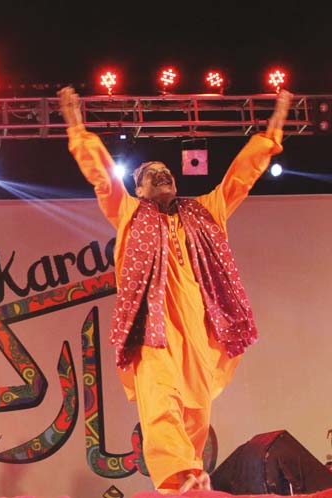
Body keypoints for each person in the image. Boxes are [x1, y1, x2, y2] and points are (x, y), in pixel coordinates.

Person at [59, 85, 291, 493]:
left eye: (166, 171)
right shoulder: (129, 213)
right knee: (160, 401)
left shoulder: (204, 211)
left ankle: (188, 481)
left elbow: (241, 176)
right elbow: (100, 175)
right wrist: (77, 127)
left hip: (199, 332)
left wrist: (272, 132)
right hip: (151, 331)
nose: (161, 175)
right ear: (139, 188)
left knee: (197, 411)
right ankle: (179, 475)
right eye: (151, 174)